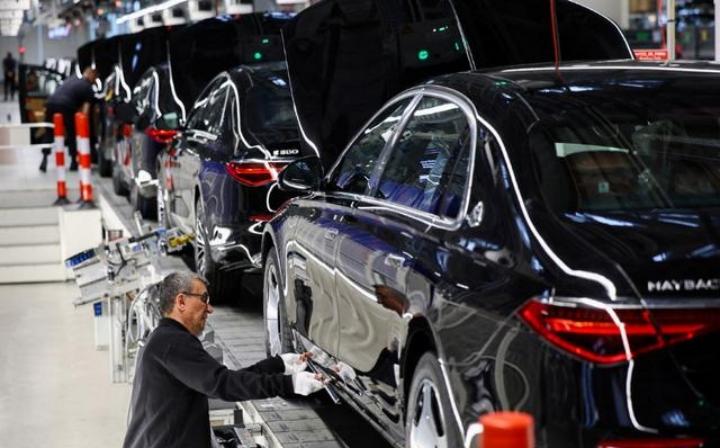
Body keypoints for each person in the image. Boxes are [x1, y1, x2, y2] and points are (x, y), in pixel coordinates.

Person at [122, 272, 325, 448]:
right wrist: (290, 384)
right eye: (204, 299)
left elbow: (223, 380)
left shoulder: (167, 339)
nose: (209, 309)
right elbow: (223, 384)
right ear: (181, 301)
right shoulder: (172, 342)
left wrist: (279, 364)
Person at [39, 66, 97, 172]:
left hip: (51, 103)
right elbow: (85, 113)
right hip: (66, 106)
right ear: (91, 75)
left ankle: (44, 159)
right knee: (72, 134)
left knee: (49, 132)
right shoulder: (88, 88)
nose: (95, 81)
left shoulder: (71, 79)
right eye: (95, 78)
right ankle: (73, 162)